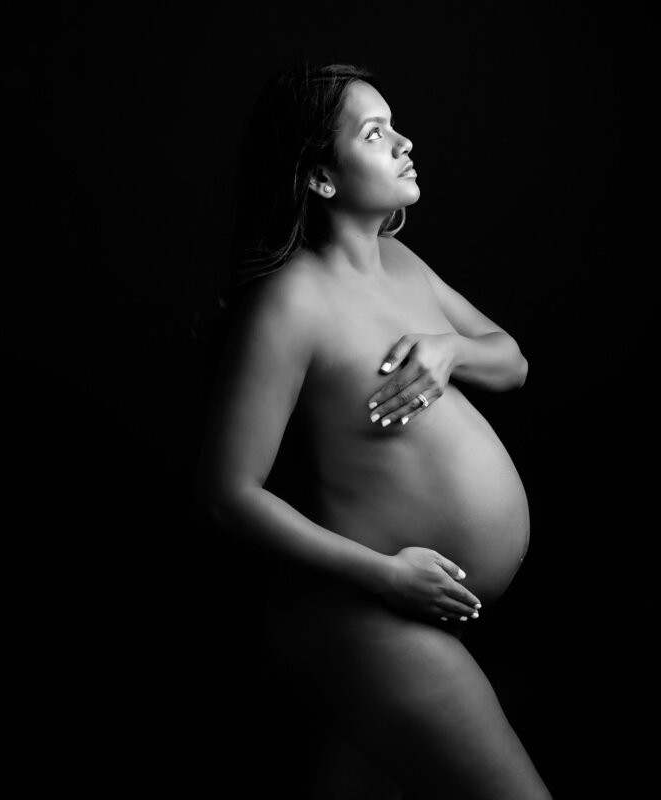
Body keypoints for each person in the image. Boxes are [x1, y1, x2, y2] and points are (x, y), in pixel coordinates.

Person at [196, 62, 551, 799]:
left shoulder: (401, 263)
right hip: (368, 614)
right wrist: (387, 576)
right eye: (373, 131)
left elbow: (511, 360)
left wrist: (450, 349)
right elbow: (227, 494)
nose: (403, 141)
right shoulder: (292, 302)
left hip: (414, 611)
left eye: (394, 124)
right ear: (322, 178)